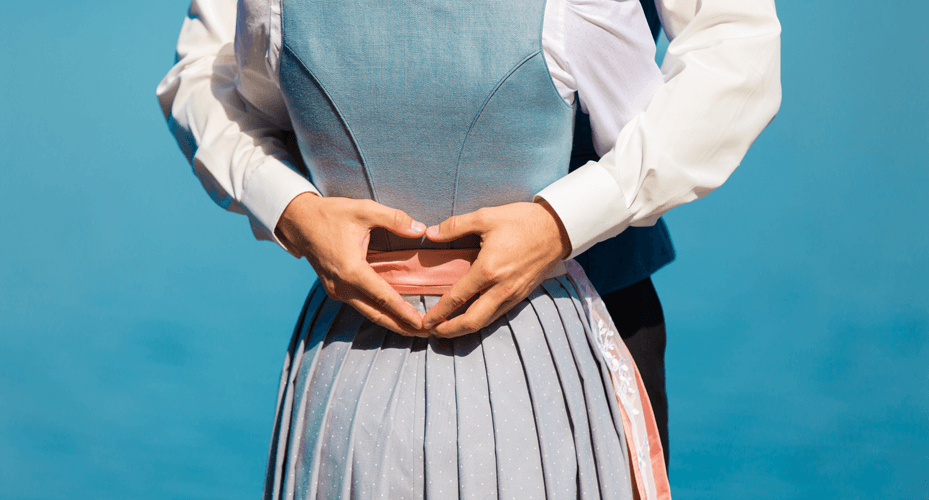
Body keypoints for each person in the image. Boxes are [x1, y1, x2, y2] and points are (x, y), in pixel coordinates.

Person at [157, 0, 780, 498]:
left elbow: (735, 42)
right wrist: (290, 209)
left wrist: (567, 219)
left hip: (580, 299)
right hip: (390, 332)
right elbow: (206, 66)